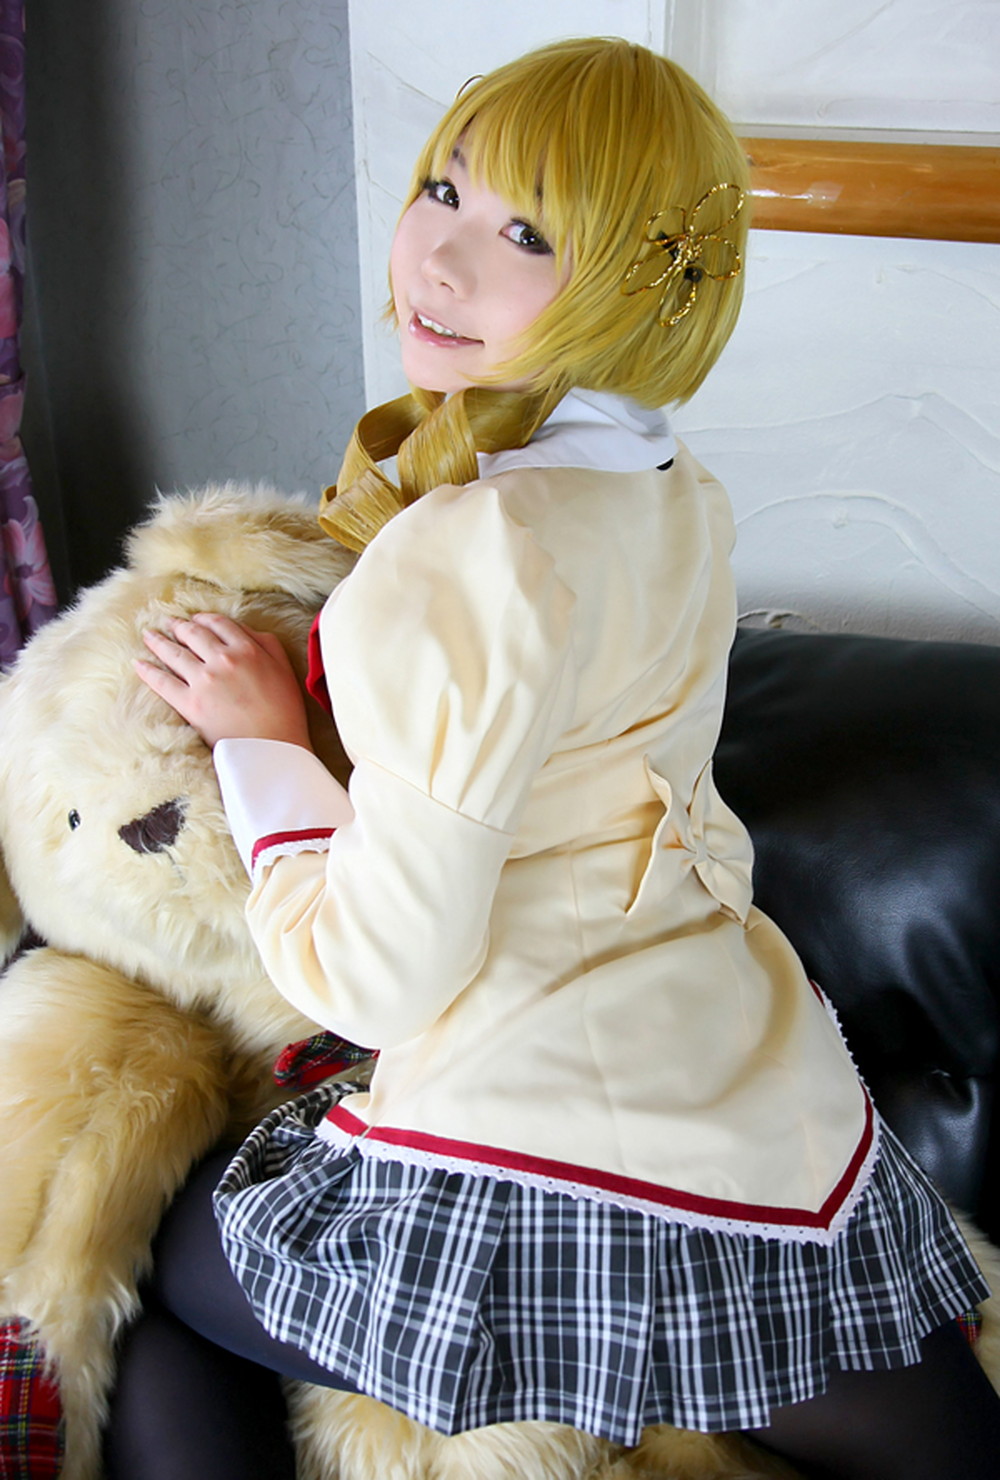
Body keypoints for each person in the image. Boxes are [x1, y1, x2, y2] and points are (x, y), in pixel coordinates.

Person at [109, 36, 1000, 1480]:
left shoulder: (467, 555)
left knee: (152, 1267)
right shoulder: (674, 489)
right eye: (443, 189)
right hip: (740, 1090)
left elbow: (376, 978)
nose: (440, 258)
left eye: (528, 234)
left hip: (526, 1133)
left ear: (643, 285)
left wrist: (265, 748)